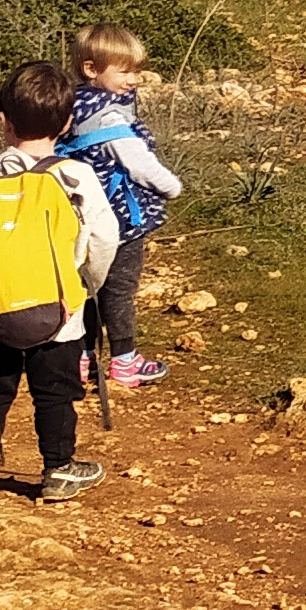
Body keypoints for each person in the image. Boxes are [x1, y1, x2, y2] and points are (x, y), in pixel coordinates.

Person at [0, 60, 123, 503]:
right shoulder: (75, 178)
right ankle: (58, 470)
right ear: (68, 121)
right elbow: (105, 237)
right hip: (62, 314)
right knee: (55, 393)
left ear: (3, 121)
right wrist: (87, 285)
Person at [57, 22, 185, 390]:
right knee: (120, 289)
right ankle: (125, 361)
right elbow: (138, 163)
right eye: (125, 71)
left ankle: (80, 358)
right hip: (121, 220)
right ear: (91, 69)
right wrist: (171, 188)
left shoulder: (72, 105)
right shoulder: (110, 117)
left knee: (85, 286)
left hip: (80, 216)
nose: (134, 80)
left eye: (136, 70)